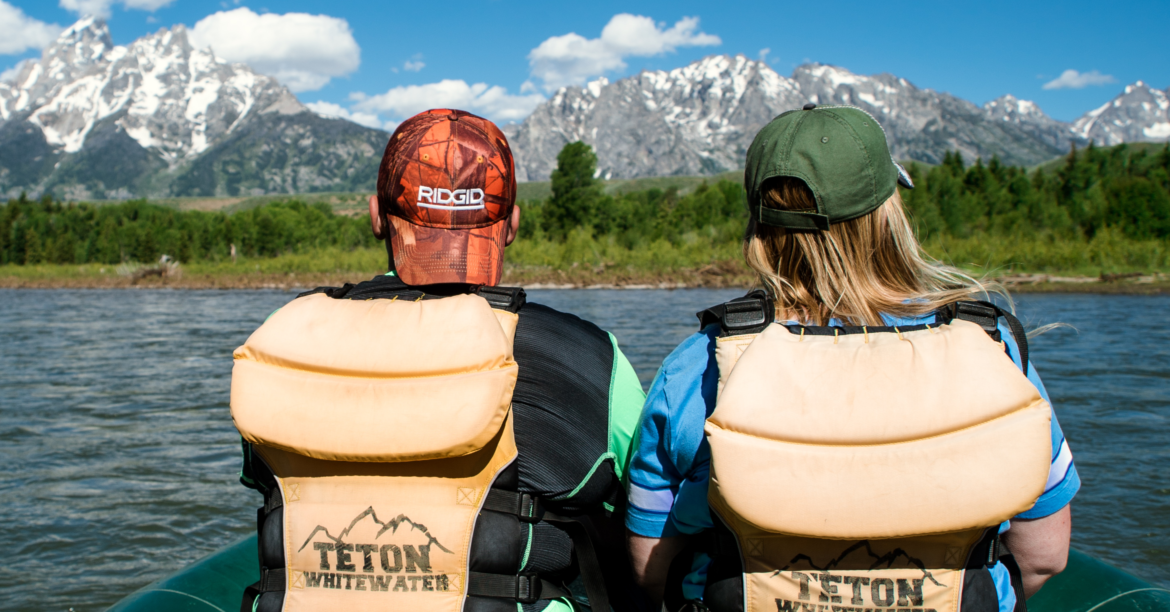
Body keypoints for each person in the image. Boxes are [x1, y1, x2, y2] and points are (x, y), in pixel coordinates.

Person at [625, 105, 1078, 612]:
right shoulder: (995, 352)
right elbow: (1044, 556)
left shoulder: (698, 366)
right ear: (888, 215)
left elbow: (650, 565)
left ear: (757, 225)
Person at [230, 109, 648, 612]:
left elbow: (259, 472)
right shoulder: (591, 355)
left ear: (376, 217)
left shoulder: (285, 336)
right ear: (511, 224)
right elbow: (639, 505)